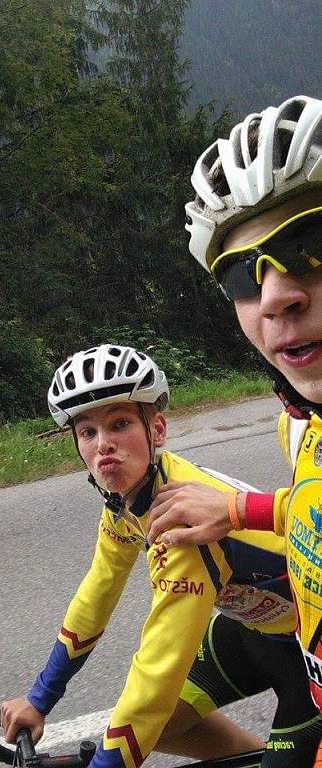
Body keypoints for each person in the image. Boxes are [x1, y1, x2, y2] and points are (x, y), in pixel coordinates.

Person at [0, 344, 321, 767]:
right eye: (87, 432)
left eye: (119, 424)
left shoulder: (180, 521)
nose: (104, 446)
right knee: (162, 726)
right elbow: (95, 597)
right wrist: (40, 698)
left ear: (158, 430)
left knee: (147, 714)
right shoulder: (127, 502)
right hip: (257, 628)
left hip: (309, 648)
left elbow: (159, 666)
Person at [147, 94, 322, 720]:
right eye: (241, 275)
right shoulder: (298, 424)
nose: (275, 295)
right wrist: (237, 508)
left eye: (313, 241)